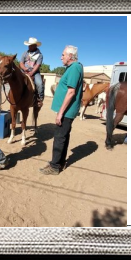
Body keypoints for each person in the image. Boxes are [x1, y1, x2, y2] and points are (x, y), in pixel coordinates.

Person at [39, 45, 83, 175]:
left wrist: (61, 112)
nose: (61, 57)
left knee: (59, 137)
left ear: (70, 56)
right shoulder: (73, 68)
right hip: (67, 111)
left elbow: (71, 92)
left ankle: (54, 166)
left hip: (67, 111)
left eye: (63, 55)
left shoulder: (74, 68)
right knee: (63, 136)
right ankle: (59, 162)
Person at [20, 37, 44, 106]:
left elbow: (37, 65)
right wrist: (24, 69)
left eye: (31, 45)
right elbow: (21, 63)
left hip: (34, 72)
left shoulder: (39, 55)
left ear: (35, 46)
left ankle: (39, 99)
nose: (29, 46)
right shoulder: (25, 53)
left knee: (39, 84)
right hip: (24, 70)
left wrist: (32, 72)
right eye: (29, 45)